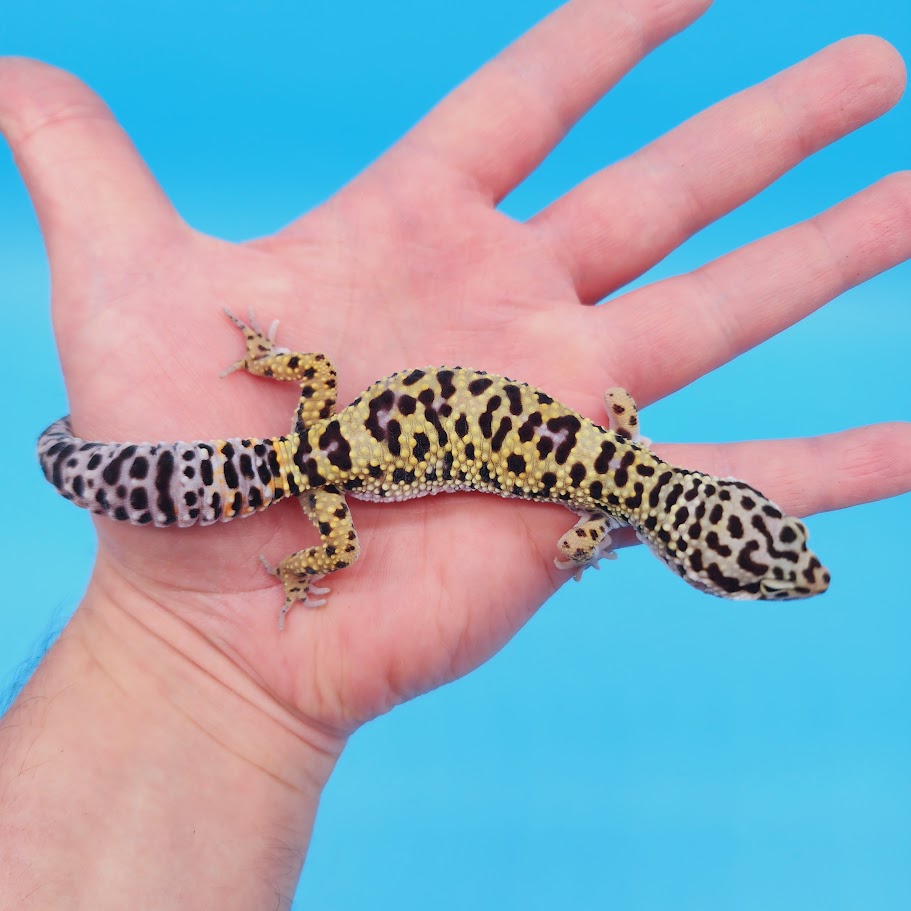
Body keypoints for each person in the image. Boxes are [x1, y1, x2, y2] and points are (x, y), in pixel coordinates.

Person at [1, 0, 909, 905]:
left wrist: (267, 371)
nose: (777, 571)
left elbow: (618, 420)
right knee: (340, 550)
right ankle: (209, 507)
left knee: (311, 399)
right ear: (685, 552)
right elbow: (571, 541)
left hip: (330, 429)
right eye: (755, 570)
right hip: (331, 469)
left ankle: (226, 389)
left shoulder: (620, 445)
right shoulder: (602, 502)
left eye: (761, 566)